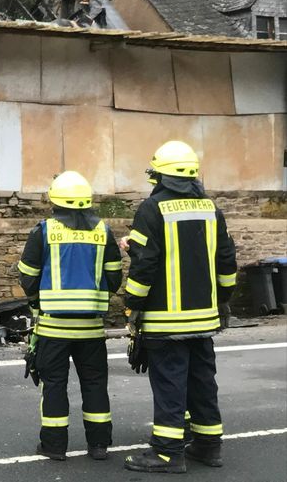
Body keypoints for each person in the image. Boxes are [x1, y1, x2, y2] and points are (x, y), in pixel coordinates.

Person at [121, 140, 237, 474]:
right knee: (202, 380)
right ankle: (208, 445)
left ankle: (169, 453)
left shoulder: (152, 209)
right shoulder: (211, 209)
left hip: (165, 321)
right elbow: (226, 261)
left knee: (170, 383)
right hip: (204, 317)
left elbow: (144, 264)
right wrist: (224, 300)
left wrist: (133, 306)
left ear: (159, 176)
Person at [18, 170, 123, 462]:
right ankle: (99, 445)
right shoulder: (103, 231)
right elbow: (114, 278)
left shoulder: (44, 231)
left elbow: (27, 277)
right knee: (94, 384)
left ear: (55, 200)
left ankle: (54, 446)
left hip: (53, 328)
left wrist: (39, 298)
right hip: (91, 328)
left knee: (54, 385)